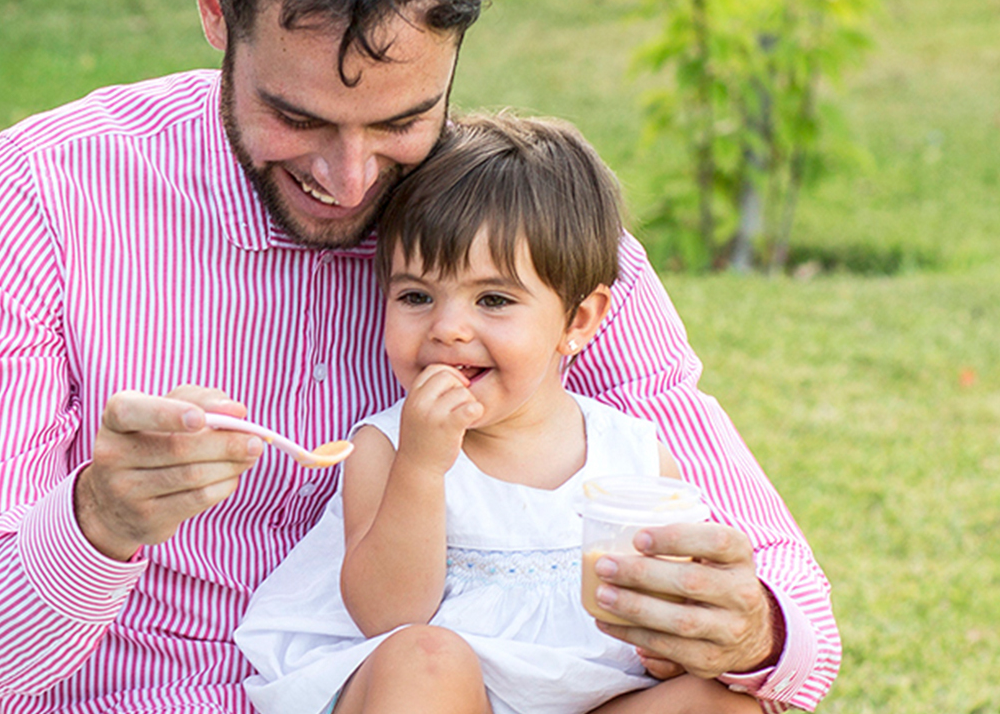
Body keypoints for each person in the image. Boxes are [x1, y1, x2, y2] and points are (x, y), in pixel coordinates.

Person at [0, 0, 838, 713]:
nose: (347, 181)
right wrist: (98, 516)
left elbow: (795, 622)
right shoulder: (43, 194)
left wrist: (745, 626)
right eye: (294, 116)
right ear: (215, 5)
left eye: (399, 121)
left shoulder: (530, 236)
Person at [233, 112, 763, 714]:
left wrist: (672, 642)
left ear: (579, 321)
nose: (448, 328)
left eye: (493, 299)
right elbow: (388, 616)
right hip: (432, 694)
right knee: (425, 658)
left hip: (584, 696)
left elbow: (674, 625)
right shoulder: (387, 448)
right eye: (415, 296)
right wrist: (423, 468)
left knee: (717, 702)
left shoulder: (633, 454)